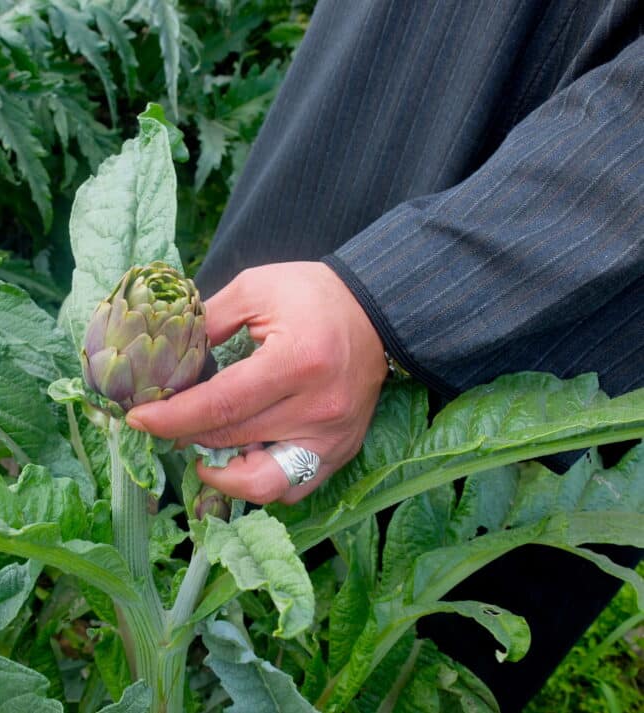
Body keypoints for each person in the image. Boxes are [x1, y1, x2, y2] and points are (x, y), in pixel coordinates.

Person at [126, 1, 643, 710]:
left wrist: (395, 301)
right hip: (384, 78)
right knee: (187, 522)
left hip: (563, 267)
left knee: (400, 650)